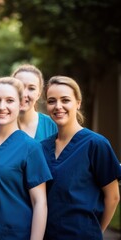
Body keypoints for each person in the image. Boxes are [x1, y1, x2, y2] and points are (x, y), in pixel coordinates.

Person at [41, 76, 121, 239]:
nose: (58, 106)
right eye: (51, 101)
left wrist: (95, 231)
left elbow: (113, 197)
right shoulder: (42, 148)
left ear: (78, 103)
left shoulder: (96, 144)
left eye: (65, 100)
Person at [0, 77, 52, 240]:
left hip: (14, 235)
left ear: (20, 103)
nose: (2, 107)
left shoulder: (30, 147)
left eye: (9, 100)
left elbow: (40, 203)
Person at [12, 64, 57, 141]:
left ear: (39, 94)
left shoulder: (53, 125)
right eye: (19, 87)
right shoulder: (0, 124)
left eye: (31, 88)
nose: (24, 94)